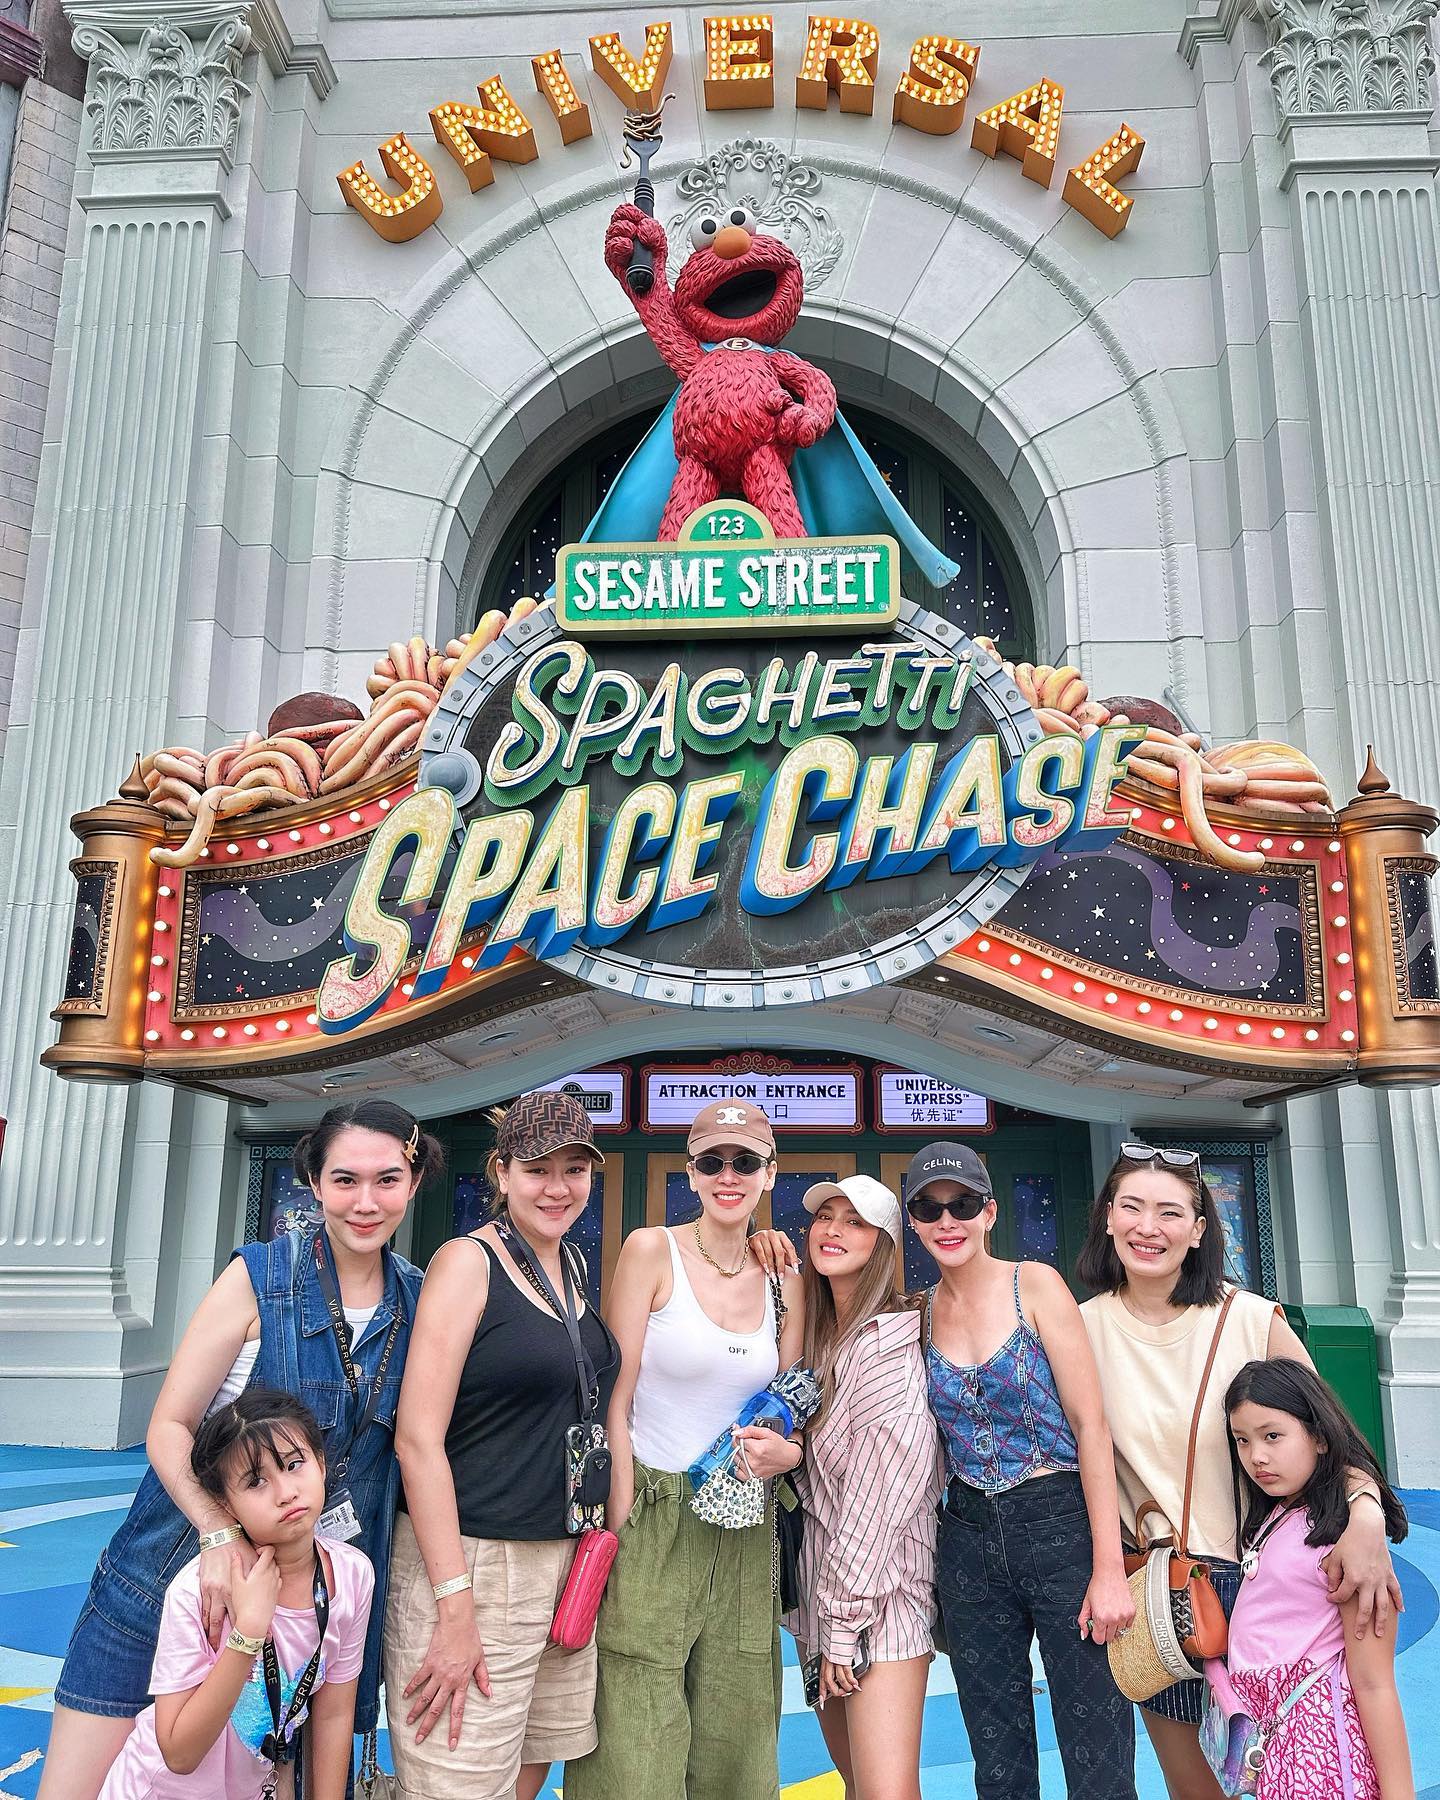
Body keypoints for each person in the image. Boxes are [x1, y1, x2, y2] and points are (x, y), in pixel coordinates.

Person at [42, 1099, 436, 1800]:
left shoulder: (420, 1302)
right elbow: (170, 1425)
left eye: (387, 1180)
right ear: (313, 1183)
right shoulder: (258, 1277)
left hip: (305, 1611)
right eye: (345, 1180)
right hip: (173, 1577)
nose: (366, 1202)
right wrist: (218, 1531)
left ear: (414, 1181)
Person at [1077, 1142, 1400, 1800]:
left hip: (1267, 1582)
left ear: (1199, 1229)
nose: (1148, 1227)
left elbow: (1334, 1441)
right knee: (1196, 1787)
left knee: (1298, 1773)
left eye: (1170, 1212)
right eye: (1131, 1207)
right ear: (1107, 1217)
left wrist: (1366, 1515)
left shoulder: (1250, 1318)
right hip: (1161, 1593)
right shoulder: (1080, 1328)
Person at [565, 1098, 804, 1800]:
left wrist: (787, 1455)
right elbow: (614, 1396)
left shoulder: (786, 1278)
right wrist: (620, 1516)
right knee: (634, 1713)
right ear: (691, 1173)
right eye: (712, 1162)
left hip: (745, 1517)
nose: (728, 1176)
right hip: (654, 1502)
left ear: (769, 1173)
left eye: (745, 1162)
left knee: (739, 1715)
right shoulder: (651, 1249)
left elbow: (790, 1404)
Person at [387, 1088, 620, 1800]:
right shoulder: (468, 1262)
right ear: (501, 1172)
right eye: (537, 1170)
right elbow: (416, 1439)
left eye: (574, 1170)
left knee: (530, 1762)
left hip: (562, 1559)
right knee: (458, 1780)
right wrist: (455, 1605)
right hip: (476, 1564)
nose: (557, 1188)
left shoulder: (570, 1264)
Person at [911, 1141, 1137, 1800]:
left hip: (1061, 1524)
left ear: (989, 1212)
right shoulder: (916, 1312)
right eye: (929, 1208)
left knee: (1097, 1745)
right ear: (914, 1222)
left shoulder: (1033, 1284)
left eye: (962, 1205)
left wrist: (1108, 1569)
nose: (947, 1220)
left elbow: (1092, 1427)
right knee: (997, 1758)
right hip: (969, 1536)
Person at [98, 1389, 374, 1799]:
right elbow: (178, 1754)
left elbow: (333, 1714)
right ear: (225, 1504)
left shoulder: (352, 1575)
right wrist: (248, 1632)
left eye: (294, 1464)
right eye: (256, 1481)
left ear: (320, 1462)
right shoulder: (200, 1591)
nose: (285, 1492)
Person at [785, 1175, 942, 1800]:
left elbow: (877, 1502)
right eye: (825, 1217)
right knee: (857, 1785)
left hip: (881, 1601)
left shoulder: (886, 1345)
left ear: (883, 1244)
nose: (833, 1231)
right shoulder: (822, 1337)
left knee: (884, 1791)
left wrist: (843, 1625)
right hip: (823, 1596)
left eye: (855, 1222)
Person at [1223, 1358, 1412, 1800]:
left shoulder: (1347, 1544)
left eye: (1272, 1436)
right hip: (1280, 1747)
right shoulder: (1279, 1513)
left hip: (1321, 1752)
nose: (1256, 1456)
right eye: (1242, 1440)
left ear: (1320, 1437)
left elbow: (1374, 1682)